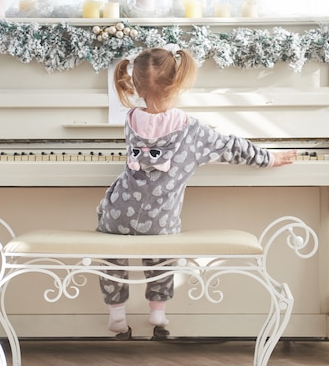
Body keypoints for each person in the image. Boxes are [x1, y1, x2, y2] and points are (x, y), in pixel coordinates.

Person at [96, 45, 296, 339]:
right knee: (164, 253)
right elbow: (230, 146)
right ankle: (158, 310)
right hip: (159, 221)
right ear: (178, 84)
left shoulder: (130, 120)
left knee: (112, 254)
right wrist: (269, 158)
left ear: (136, 86)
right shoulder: (192, 130)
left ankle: (116, 313)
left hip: (117, 214)